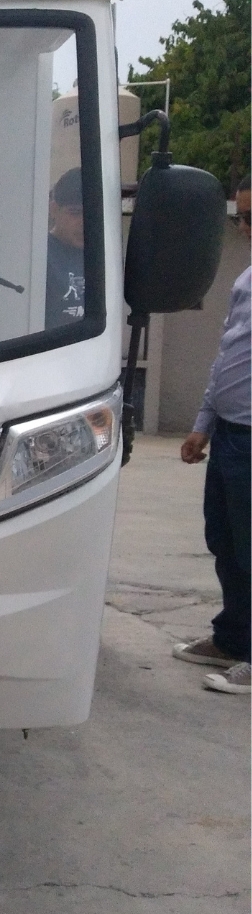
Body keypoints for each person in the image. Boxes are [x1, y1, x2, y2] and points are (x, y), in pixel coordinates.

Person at [172, 174, 251, 694]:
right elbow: (228, 356)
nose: (246, 229)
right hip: (230, 434)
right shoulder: (247, 279)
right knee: (226, 543)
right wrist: (203, 423)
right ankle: (233, 639)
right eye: (241, 218)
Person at [45, 167, 86, 328]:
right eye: (75, 213)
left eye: (91, 214)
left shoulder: (103, 256)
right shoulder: (39, 255)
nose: (84, 222)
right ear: (54, 210)